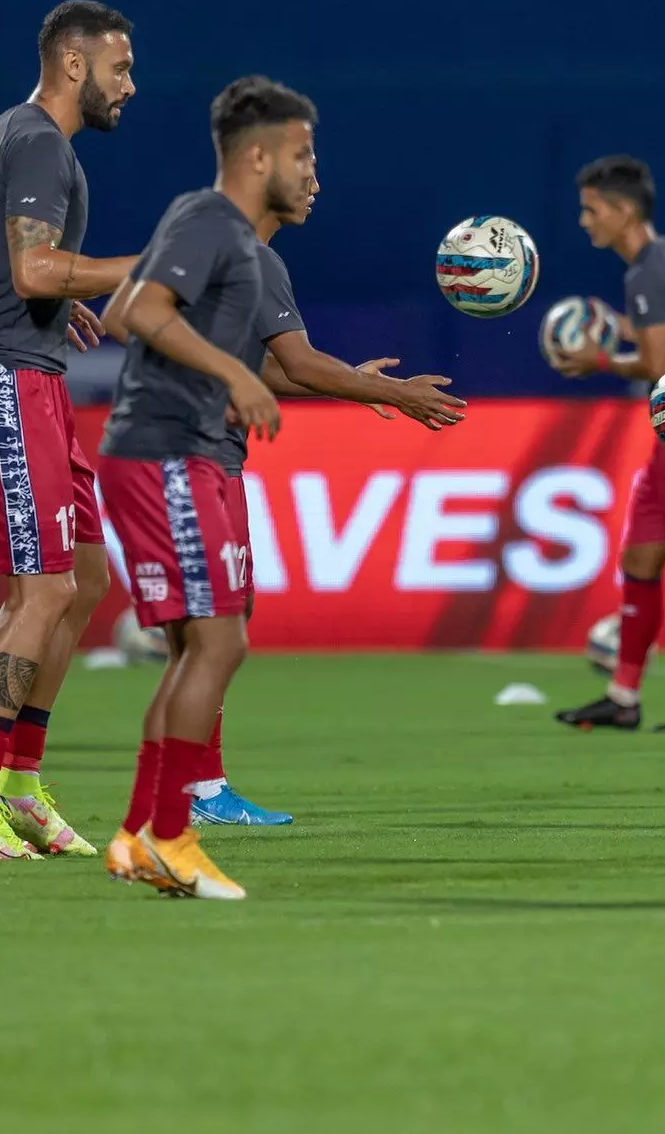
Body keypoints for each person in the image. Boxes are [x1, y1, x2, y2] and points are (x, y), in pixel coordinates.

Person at [100, 76, 462, 898]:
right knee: (218, 644)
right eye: (302, 156)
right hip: (169, 449)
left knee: (200, 648)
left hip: (188, 451)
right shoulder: (211, 221)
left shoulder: (241, 249)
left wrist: (375, 389)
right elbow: (136, 313)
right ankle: (170, 836)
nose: (313, 176)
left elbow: (287, 364)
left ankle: (140, 834)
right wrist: (233, 374)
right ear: (258, 157)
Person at [0, 0, 139, 860]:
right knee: (40, 592)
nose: (131, 85)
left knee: (85, 579)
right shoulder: (41, 140)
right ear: (74, 64)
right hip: (2, 377)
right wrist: (149, 268)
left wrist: (45, 294)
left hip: (27, 374)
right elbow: (35, 267)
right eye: (121, 67)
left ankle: (19, 783)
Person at [550, 155, 665, 733]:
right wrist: (616, 326)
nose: (585, 221)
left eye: (592, 210)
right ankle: (623, 697)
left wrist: (598, 359)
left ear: (624, 211)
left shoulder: (646, 272)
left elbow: (660, 366)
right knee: (640, 558)